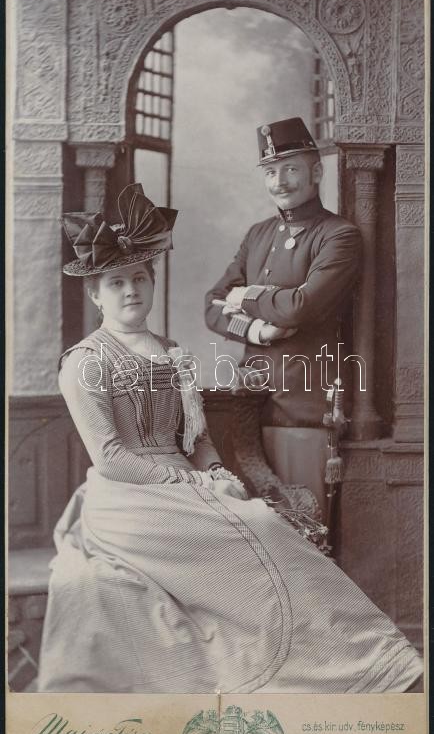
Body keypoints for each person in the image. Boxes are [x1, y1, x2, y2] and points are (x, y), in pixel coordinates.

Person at [37, 183, 422, 694]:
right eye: (116, 283)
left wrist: (216, 470)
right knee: (251, 527)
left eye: (139, 278)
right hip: (125, 498)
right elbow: (110, 458)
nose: (130, 291)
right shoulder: (84, 362)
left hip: (186, 483)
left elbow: (196, 438)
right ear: (95, 294)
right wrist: (194, 484)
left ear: (152, 283)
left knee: (262, 522)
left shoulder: (171, 352)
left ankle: (359, 663)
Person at [205, 117, 362, 514]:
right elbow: (213, 305)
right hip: (249, 408)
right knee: (254, 533)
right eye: (271, 171)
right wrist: (259, 331)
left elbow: (301, 306)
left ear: (316, 172)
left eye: (291, 169)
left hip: (302, 411)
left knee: (303, 527)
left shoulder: (338, 235)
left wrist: (247, 295)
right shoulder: (258, 234)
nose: (280, 182)